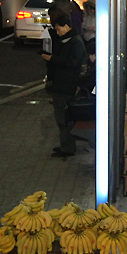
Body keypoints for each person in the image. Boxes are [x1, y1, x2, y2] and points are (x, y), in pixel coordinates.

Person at [43, 15, 87, 158]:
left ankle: (68, 147)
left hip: (66, 85)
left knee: (64, 118)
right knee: (61, 117)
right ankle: (66, 145)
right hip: (62, 84)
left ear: (66, 26)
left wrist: (52, 59)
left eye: (58, 29)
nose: (57, 32)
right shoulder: (68, 40)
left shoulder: (75, 42)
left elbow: (72, 62)